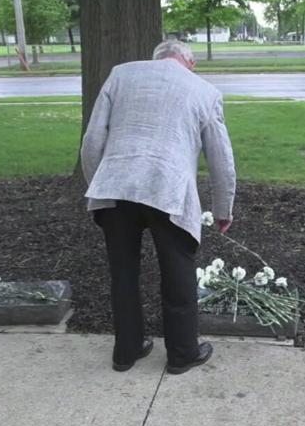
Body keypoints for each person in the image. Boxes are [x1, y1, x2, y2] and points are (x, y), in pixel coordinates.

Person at [81, 39, 236, 375]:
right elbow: (221, 158)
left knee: (123, 274)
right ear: (190, 63)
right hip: (168, 189)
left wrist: (98, 186)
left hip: (115, 186)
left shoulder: (120, 75)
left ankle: (126, 351)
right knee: (177, 273)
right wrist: (223, 207)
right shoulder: (205, 91)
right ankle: (182, 354)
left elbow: (93, 139)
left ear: (156, 58)